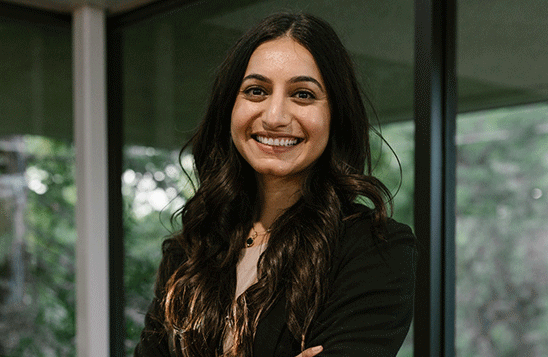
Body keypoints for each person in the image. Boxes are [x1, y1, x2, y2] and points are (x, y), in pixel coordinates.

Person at [135, 12, 416, 357]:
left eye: (303, 94)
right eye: (256, 91)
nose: (275, 117)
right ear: (230, 107)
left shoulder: (374, 249)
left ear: (336, 114)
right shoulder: (190, 250)